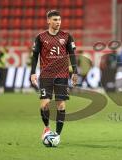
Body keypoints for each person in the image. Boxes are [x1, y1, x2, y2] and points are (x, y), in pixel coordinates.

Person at [30, 10, 78, 143]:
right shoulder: (40, 37)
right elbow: (35, 56)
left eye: (59, 20)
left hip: (62, 75)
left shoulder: (67, 36)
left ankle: (57, 134)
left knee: (61, 105)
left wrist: (75, 72)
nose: (58, 22)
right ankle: (46, 128)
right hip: (46, 75)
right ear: (49, 21)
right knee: (45, 105)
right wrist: (33, 72)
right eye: (55, 20)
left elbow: (72, 55)